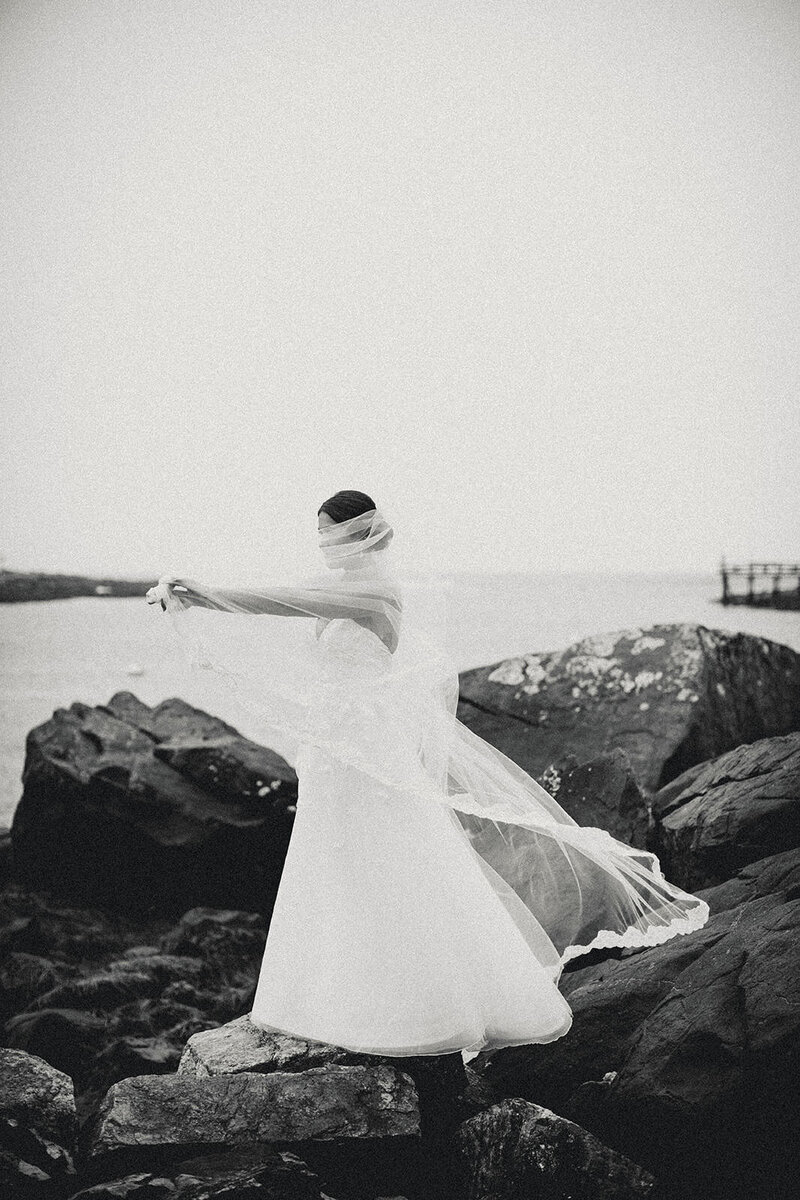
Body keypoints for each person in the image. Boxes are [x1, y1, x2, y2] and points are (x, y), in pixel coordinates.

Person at [146, 491, 710, 1058]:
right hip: (342, 751)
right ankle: (333, 992)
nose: (324, 548)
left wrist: (205, 595)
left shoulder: (373, 593)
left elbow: (281, 602)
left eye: (331, 536)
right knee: (339, 861)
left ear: (359, 535)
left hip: (366, 754)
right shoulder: (350, 591)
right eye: (319, 537)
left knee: (386, 862)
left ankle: (415, 1005)